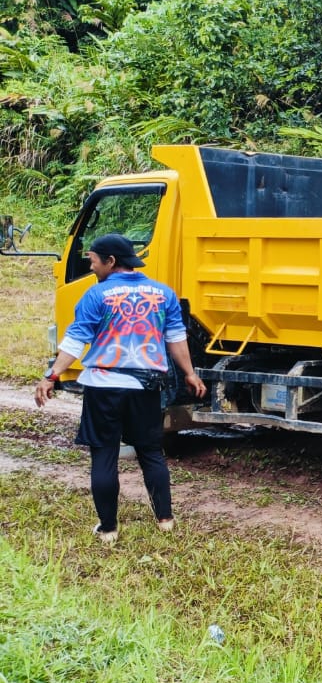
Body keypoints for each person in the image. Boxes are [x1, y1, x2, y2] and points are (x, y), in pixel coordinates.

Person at [34, 233, 206, 545]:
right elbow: (176, 338)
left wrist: (52, 376)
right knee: (151, 452)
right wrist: (190, 374)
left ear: (111, 261)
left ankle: (109, 529)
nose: (91, 266)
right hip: (146, 387)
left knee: (104, 455)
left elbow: (75, 341)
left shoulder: (96, 295)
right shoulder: (163, 293)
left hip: (104, 387)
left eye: (93, 260)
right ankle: (165, 520)